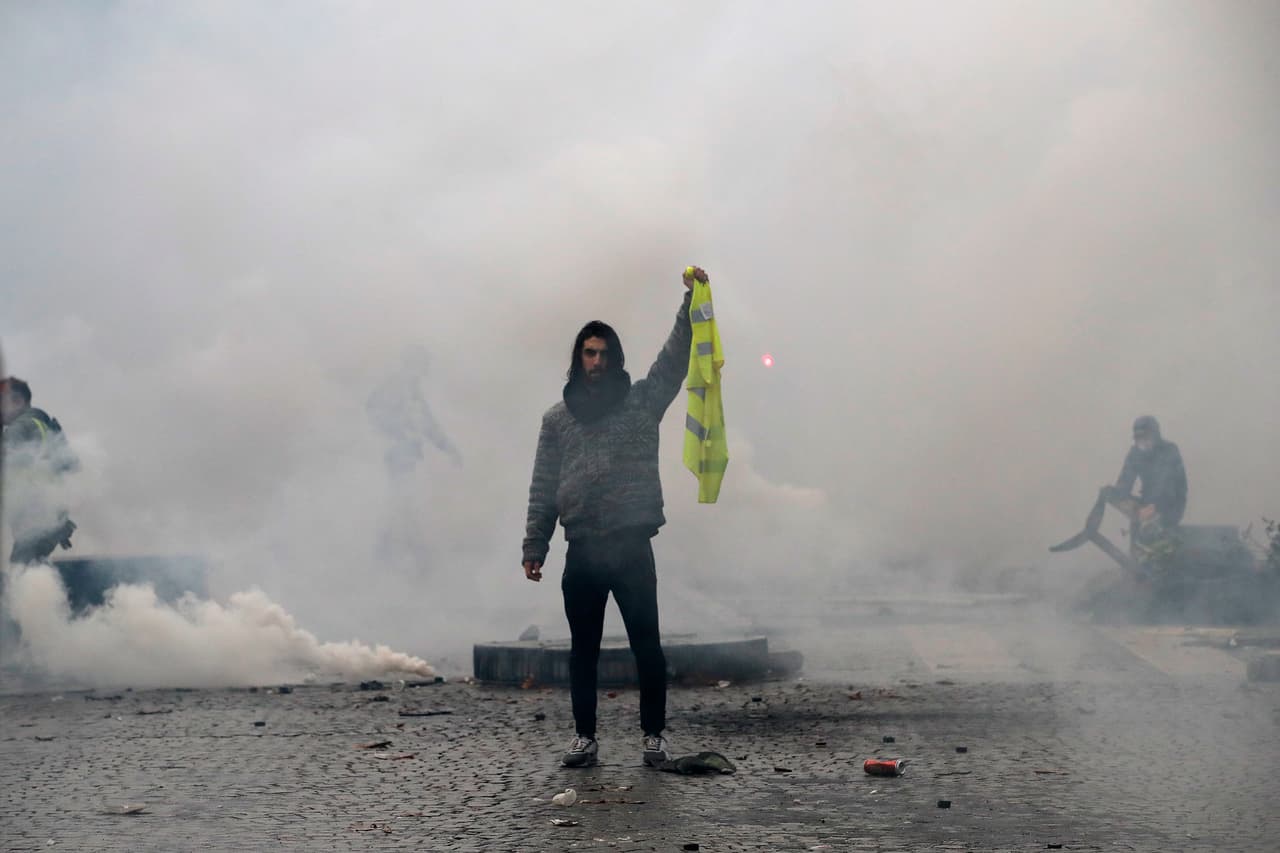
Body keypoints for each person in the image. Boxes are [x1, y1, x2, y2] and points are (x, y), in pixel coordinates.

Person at [522, 266, 704, 768]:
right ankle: (584, 737)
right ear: (578, 360)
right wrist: (534, 546)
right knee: (584, 650)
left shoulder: (641, 404)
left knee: (648, 644)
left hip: (629, 547)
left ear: (615, 358)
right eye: (589, 352)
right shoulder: (557, 420)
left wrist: (690, 306)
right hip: (582, 548)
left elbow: (673, 362)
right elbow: (542, 486)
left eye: (604, 353)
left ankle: (654, 737)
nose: (596, 360)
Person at [2, 377, 78, 564]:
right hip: (51, 519)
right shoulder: (44, 425)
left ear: (17, 401)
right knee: (33, 571)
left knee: (22, 570)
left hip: (35, 519)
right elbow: (70, 466)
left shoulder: (20, 427)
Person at [1109, 415, 1187, 564]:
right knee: (1138, 526)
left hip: (1172, 503)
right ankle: (1136, 563)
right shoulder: (1135, 453)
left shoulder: (1169, 451)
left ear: (1156, 436)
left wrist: (1156, 506)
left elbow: (1169, 485)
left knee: (1156, 537)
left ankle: (1159, 565)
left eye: (1146, 437)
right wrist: (1116, 492)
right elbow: (1126, 479)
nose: (1143, 442)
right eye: (1139, 439)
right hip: (1148, 502)